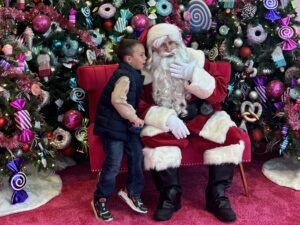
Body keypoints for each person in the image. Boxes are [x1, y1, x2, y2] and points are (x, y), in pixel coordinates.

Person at [137, 23, 250, 222]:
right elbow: (136, 103)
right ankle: (170, 196)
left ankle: (217, 196)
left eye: (173, 42)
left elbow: (219, 94)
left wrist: (194, 74)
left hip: (201, 116)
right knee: (155, 141)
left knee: (229, 135)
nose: (170, 49)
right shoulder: (144, 71)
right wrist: (166, 118)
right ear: (153, 49)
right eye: (163, 45)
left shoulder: (196, 59)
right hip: (168, 120)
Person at [92, 39, 148, 222]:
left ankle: (131, 191)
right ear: (129, 59)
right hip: (112, 126)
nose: (145, 58)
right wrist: (134, 118)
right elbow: (117, 100)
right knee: (113, 163)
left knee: (137, 155)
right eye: (141, 55)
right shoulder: (124, 76)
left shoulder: (134, 73)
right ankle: (100, 198)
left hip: (125, 125)